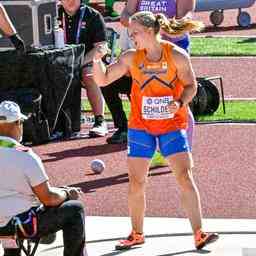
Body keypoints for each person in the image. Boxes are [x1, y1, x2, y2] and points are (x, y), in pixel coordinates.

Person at [92, 11, 219, 251]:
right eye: (130, 35)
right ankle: (136, 233)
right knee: (136, 182)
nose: (132, 38)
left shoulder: (177, 56)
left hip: (171, 125)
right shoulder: (131, 57)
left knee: (184, 176)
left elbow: (192, 85)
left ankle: (199, 232)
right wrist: (97, 59)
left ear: (150, 32)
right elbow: (103, 79)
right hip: (141, 127)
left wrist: (180, 102)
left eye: (135, 34)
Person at [0, 101, 88, 256]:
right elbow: (48, 198)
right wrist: (67, 193)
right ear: (16, 123)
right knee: (75, 209)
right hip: (20, 224)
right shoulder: (24, 155)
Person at [58, 0, 108, 137]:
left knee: (88, 75)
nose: (70, 1)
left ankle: (100, 121)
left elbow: (102, 47)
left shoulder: (93, 15)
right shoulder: (52, 14)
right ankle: (54, 124)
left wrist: (79, 62)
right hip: (60, 63)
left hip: (87, 61)